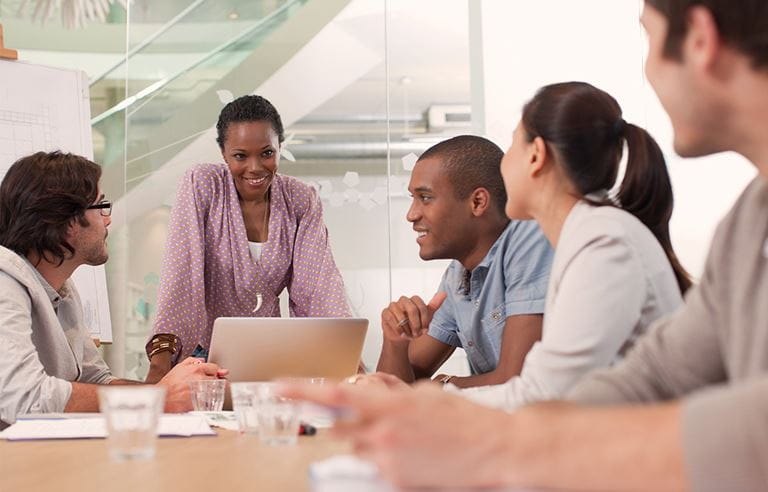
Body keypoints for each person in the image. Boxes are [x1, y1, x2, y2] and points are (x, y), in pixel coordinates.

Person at [283, 1, 768, 490]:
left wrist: (471, 423)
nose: (649, 71)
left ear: (701, 40)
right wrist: (432, 407)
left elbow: (547, 390)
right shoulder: (748, 218)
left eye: (649, 37)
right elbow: (654, 376)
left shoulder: (602, 243)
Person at [450, 81, 690, 409]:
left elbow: (543, 394)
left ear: (536, 156)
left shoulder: (604, 243)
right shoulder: (590, 233)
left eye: (511, 146)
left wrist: (427, 404)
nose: (503, 164)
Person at [0, 151, 225, 429]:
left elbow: (95, 381)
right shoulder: (4, 283)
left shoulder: (63, 290)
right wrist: (161, 396)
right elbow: (26, 398)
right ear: (67, 221)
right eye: (101, 206)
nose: (107, 220)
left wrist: (176, 387)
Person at [147, 95, 351, 380]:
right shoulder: (203, 184)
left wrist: (347, 363)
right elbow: (181, 276)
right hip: (203, 356)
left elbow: (319, 287)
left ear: (280, 147)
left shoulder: (301, 199)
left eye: (267, 153)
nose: (254, 167)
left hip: (271, 354)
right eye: (240, 156)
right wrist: (161, 364)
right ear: (223, 153)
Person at [376, 136, 553, 389]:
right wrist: (396, 340)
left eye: (425, 197)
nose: (411, 214)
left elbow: (519, 382)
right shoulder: (457, 277)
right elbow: (391, 392)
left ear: (478, 202)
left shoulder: (530, 239)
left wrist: (447, 385)